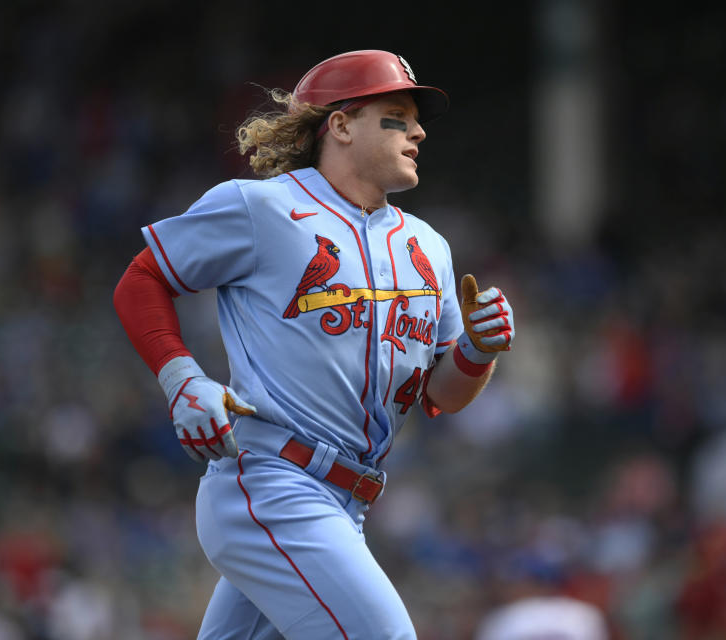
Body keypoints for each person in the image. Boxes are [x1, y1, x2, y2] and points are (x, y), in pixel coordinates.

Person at [113, 49, 516, 639]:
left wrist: (477, 350)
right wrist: (183, 379)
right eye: (397, 115)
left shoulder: (429, 246)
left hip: (346, 506)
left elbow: (440, 396)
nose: (419, 130)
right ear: (342, 124)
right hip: (272, 482)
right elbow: (143, 279)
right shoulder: (264, 208)